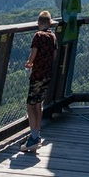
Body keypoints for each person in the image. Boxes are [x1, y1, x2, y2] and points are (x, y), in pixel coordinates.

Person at [22, 10, 57, 149]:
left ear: (38, 23)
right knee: (38, 104)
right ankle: (37, 133)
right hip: (47, 75)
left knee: (30, 105)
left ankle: (34, 137)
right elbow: (54, 55)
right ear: (49, 23)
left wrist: (29, 63)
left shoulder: (38, 35)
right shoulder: (53, 36)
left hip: (37, 75)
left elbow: (33, 54)